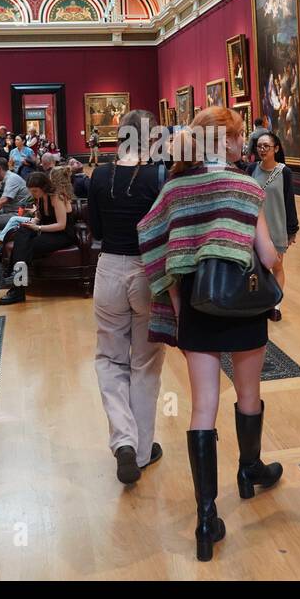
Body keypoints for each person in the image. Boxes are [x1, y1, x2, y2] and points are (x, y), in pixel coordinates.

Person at [136, 107, 283, 563]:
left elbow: (157, 247)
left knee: (202, 406)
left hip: (197, 307)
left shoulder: (175, 189)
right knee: (248, 393)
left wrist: (180, 310)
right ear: (227, 140)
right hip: (243, 304)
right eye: (238, 137)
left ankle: (205, 518)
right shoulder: (246, 187)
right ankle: (249, 470)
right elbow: (269, 253)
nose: (243, 144)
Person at [90, 110, 167, 483]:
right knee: (146, 363)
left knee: (109, 358)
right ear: (151, 139)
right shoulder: (158, 176)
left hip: (109, 269)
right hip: (147, 271)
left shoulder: (101, 175)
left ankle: (123, 439)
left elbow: (97, 229)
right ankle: (140, 450)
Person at [0, 168, 77, 306]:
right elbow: (41, 217)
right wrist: (34, 221)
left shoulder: (57, 197)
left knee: (26, 246)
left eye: (34, 190)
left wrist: (38, 227)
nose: (32, 193)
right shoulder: (41, 197)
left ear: (44, 187)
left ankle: (16, 284)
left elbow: (61, 225)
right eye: (31, 190)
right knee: (22, 232)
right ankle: (17, 282)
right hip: (48, 231)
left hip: (63, 235)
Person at [249, 131, 298, 321]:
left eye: (266, 146)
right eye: (259, 146)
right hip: (254, 228)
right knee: (258, 269)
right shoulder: (251, 169)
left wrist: (292, 230)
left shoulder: (284, 172)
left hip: (276, 227)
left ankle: (275, 305)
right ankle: (259, 303)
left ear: (276, 148)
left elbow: (289, 202)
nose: (262, 150)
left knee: (277, 266)